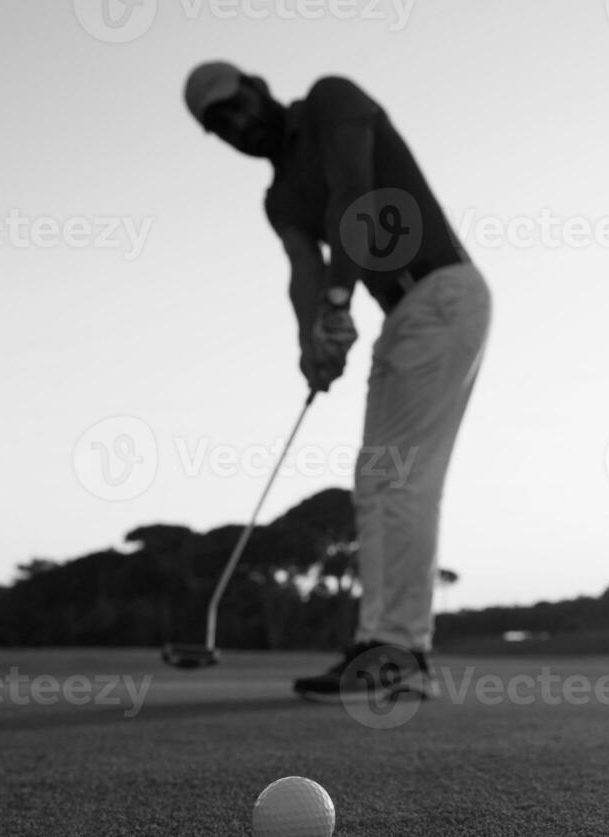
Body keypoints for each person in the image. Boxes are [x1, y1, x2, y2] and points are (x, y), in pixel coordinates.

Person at [183, 63, 491, 701]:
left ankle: (398, 648)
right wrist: (311, 344)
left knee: (396, 476)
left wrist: (340, 299)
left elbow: (355, 192)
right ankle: (390, 646)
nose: (239, 124)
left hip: (440, 293)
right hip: (406, 311)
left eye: (237, 104)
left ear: (259, 85)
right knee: (381, 478)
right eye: (222, 124)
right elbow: (303, 267)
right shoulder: (279, 198)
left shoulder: (331, 99)